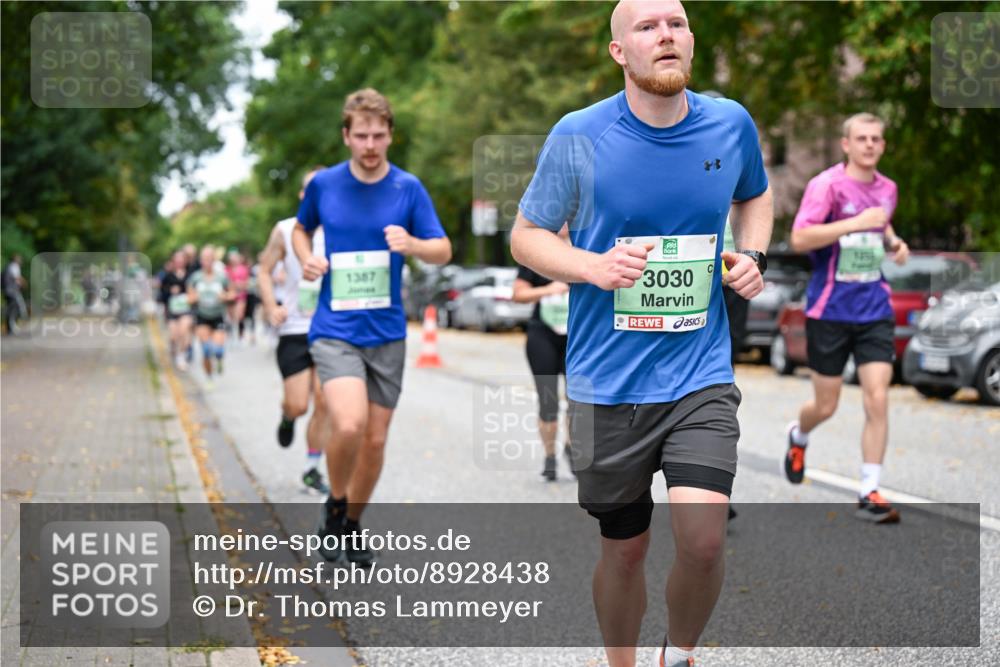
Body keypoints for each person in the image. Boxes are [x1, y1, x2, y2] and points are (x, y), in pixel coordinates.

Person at [510, 2, 773, 665]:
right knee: (624, 549)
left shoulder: (729, 124)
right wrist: (591, 267)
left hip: (700, 373)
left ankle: (677, 652)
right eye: (648, 26)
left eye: (677, 24)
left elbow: (756, 195)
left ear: (690, 41)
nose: (666, 35)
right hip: (607, 382)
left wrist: (753, 254)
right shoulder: (579, 134)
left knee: (704, 538)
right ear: (619, 52)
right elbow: (526, 236)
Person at [294, 88, 452, 566]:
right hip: (335, 326)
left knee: (377, 440)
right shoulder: (325, 185)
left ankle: (352, 524)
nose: (369, 144)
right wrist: (307, 259)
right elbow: (301, 229)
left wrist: (413, 245)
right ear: (346, 136)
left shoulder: (408, 188)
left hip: (386, 332)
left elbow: (442, 249)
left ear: (389, 136)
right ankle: (336, 503)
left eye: (378, 135)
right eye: (360, 135)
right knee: (349, 422)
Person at [783, 112, 909, 524]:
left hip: (874, 307)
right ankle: (798, 436)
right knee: (826, 404)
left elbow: (881, 226)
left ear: (883, 146)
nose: (870, 144)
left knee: (877, 396)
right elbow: (800, 238)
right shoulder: (828, 186)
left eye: (876, 139)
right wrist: (854, 222)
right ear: (846, 144)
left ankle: (869, 488)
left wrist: (894, 243)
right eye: (862, 138)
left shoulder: (888, 188)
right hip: (830, 310)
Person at [258, 166, 332, 493]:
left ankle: (311, 469)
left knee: (325, 402)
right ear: (303, 196)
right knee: (299, 404)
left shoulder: (342, 230)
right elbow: (263, 270)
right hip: (293, 330)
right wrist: (270, 305)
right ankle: (287, 416)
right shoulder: (286, 230)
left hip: (331, 329)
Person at [512, 224, 572, 482]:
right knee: (548, 401)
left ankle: (571, 448)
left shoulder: (588, 248)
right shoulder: (538, 250)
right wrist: (550, 289)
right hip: (543, 334)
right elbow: (518, 294)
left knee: (579, 401)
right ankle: (550, 457)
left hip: (577, 335)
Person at [188, 245, 234, 384]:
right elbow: (189, 297)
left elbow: (232, 294)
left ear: (214, 259)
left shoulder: (222, 277)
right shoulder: (195, 278)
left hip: (218, 316)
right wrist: (194, 298)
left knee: (218, 350)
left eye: (210, 258)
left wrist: (225, 297)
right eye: (204, 259)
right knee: (207, 350)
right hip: (202, 316)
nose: (207, 261)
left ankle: (219, 360)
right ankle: (209, 377)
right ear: (201, 260)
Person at [162, 250, 194, 371]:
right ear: (174, 262)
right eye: (177, 260)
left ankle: (181, 356)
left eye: (182, 260)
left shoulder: (190, 275)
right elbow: (162, 295)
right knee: (174, 335)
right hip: (172, 310)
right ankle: (174, 348)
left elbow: (195, 291)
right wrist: (170, 291)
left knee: (184, 331)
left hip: (186, 309)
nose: (179, 262)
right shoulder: (168, 276)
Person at [2, 254, 27, 335]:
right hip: (11, 291)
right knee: (14, 308)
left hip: (7, 291)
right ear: (16, 259)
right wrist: (24, 283)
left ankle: (10, 328)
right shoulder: (14, 266)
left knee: (11, 309)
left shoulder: (8, 266)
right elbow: (17, 277)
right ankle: (11, 328)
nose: (20, 261)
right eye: (19, 259)